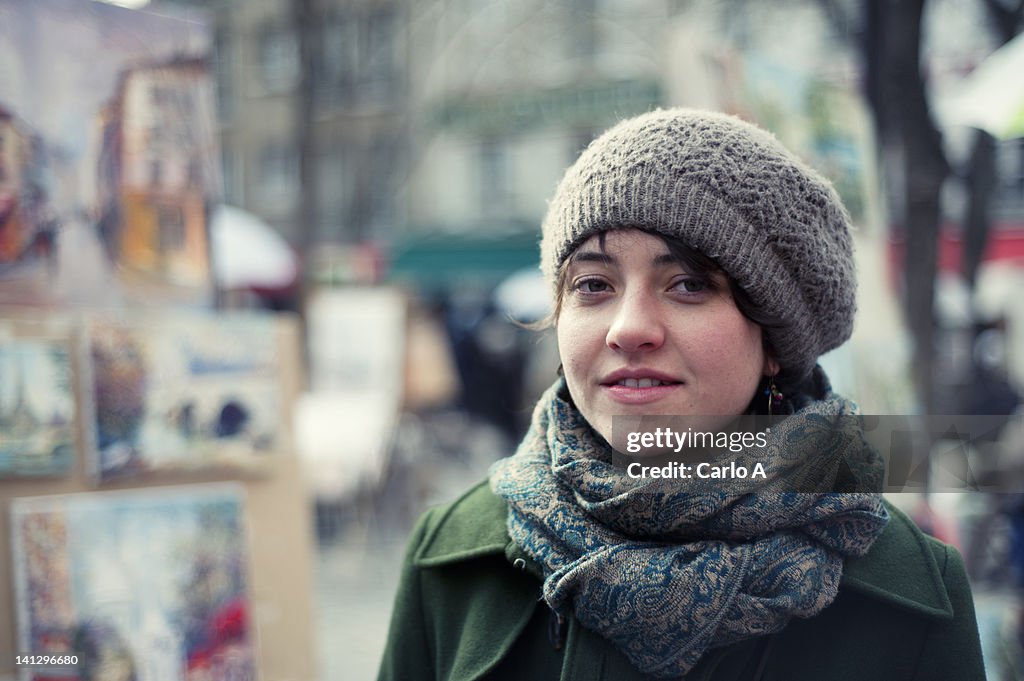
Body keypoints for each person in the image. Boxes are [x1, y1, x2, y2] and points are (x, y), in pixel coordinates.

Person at [377, 109, 985, 680]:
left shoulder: (911, 595)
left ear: (775, 340)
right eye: (593, 284)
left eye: (689, 284)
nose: (628, 328)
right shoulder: (451, 563)